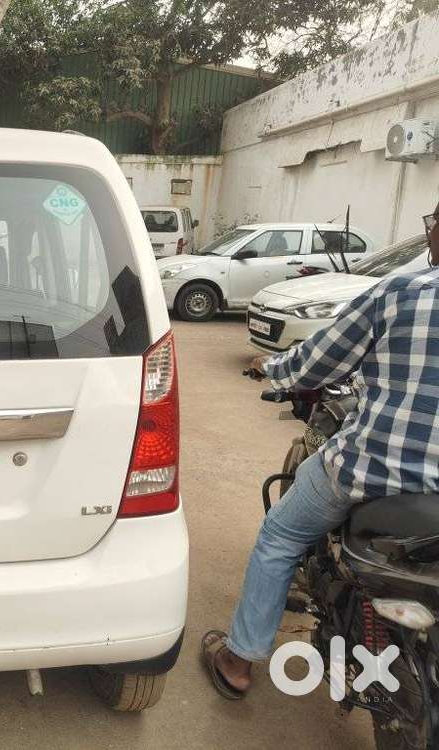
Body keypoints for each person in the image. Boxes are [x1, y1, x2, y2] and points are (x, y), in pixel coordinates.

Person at [201, 201, 439, 699]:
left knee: (279, 536)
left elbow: (318, 359)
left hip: (372, 469)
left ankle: (239, 660)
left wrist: (271, 370)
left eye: (431, 223)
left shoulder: (401, 293)